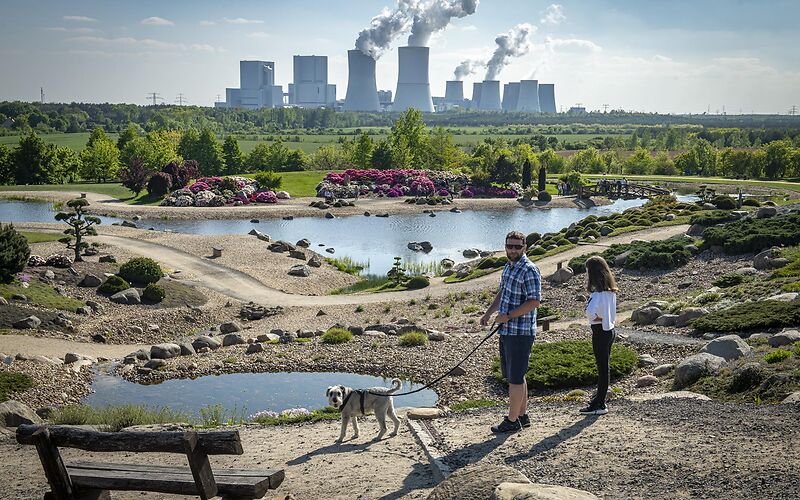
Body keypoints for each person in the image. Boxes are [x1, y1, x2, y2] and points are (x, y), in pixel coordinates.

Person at [481, 231, 542, 433]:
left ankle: (512, 420)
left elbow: (534, 302)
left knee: (515, 378)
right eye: (510, 246)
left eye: (517, 246)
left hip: (521, 332)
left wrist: (507, 315)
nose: (513, 250)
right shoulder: (508, 267)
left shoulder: (529, 269)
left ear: (525, 247)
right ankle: (522, 416)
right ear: (505, 246)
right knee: (515, 375)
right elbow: (503, 292)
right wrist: (489, 313)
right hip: (507, 330)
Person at [580, 255, 618, 416]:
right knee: (605, 368)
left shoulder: (597, 294)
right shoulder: (611, 291)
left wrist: (597, 318)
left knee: (602, 369)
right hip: (610, 331)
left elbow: (589, 313)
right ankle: (599, 399)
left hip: (599, 331)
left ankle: (599, 403)